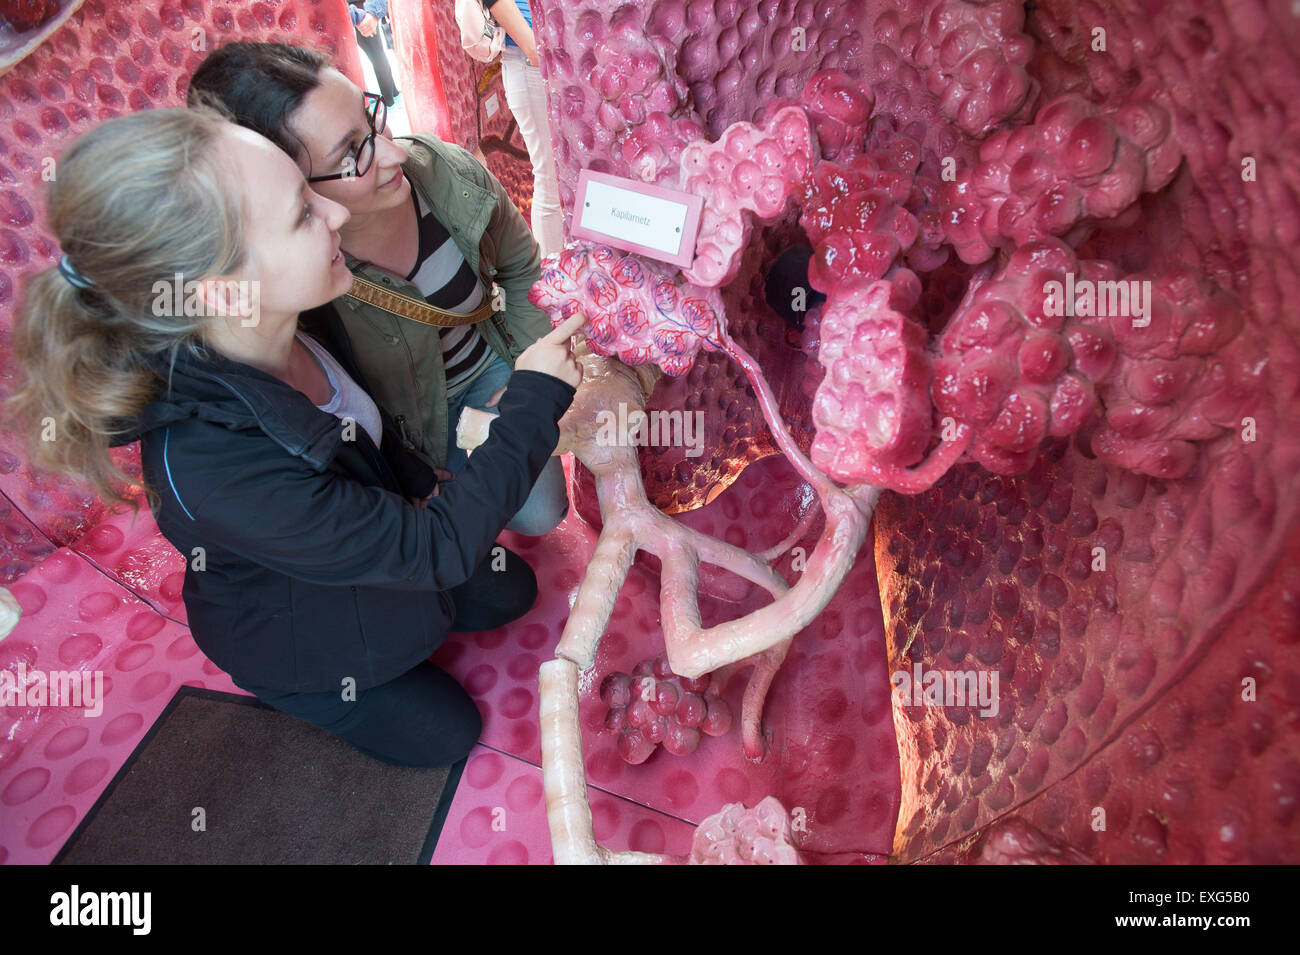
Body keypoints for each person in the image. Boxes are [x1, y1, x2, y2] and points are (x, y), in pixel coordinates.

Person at [6, 107, 585, 767]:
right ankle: (307, 693)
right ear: (224, 291)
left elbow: (370, 445)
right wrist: (536, 394)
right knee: (444, 735)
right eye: (302, 214)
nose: (334, 214)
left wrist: (428, 481)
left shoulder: (288, 318)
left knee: (514, 588)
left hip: (375, 554)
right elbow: (434, 549)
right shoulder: (212, 469)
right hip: (310, 638)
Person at [187, 42, 570, 536]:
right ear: (280, 180)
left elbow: (522, 267)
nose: (394, 153)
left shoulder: (445, 174)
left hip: (492, 363)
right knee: (465, 543)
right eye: (351, 153)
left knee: (538, 517)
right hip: (405, 428)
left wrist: (524, 375)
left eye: (372, 119)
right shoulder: (284, 282)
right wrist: (399, 465)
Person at [484, 0, 564, 258]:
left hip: (557, 51)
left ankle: (567, 269)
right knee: (551, 178)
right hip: (532, 58)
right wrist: (534, 48)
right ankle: (553, 276)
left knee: (569, 176)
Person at [347, 0, 399, 108]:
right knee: (377, 53)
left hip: (359, 6)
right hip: (362, 6)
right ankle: (391, 94)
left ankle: (388, 99)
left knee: (375, 54)